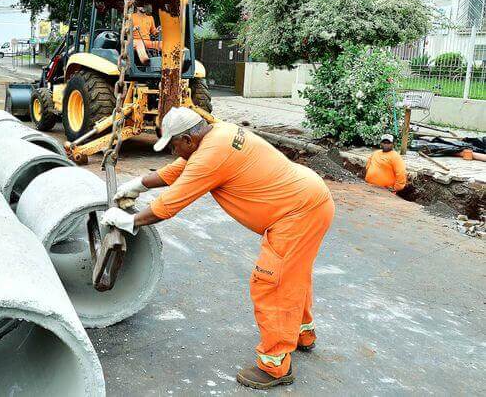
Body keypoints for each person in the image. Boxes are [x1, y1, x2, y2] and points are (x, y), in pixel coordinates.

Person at [100, 107, 335, 390]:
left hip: (297, 213)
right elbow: (180, 169)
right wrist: (138, 185)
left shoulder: (211, 155)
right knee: (293, 275)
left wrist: (130, 221)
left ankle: (275, 366)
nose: (174, 150)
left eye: (174, 144)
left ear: (188, 139)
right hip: (309, 199)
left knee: (272, 283)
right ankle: (303, 335)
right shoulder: (217, 135)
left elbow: (171, 203)